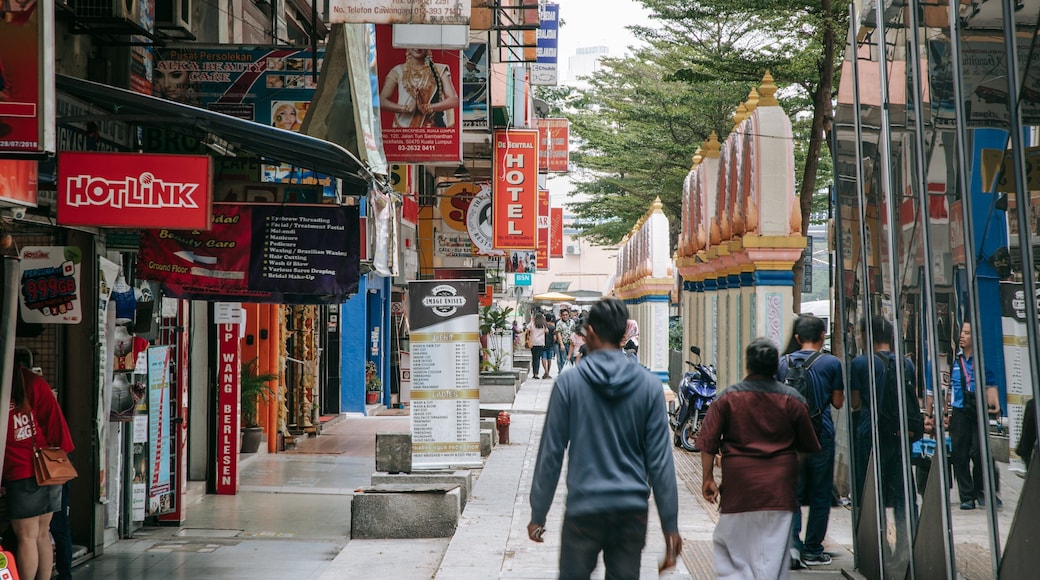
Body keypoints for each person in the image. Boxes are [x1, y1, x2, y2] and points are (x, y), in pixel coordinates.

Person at [528, 298, 682, 579]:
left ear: (592, 333)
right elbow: (660, 462)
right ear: (624, 335)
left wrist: (539, 512)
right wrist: (670, 525)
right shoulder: (648, 386)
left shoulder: (570, 383)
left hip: (583, 508)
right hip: (630, 512)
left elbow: (551, 453)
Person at [849, 315, 921, 564]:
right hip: (899, 435)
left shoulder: (859, 364)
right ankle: (906, 546)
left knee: (871, 492)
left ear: (868, 335)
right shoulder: (906, 364)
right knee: (902, 491)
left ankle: (879, 548)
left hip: (870, 434)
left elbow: (856, 404)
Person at [776, 314, 845, 568]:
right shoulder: (831, 363)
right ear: (822, 336)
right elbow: (838, 402)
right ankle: (814, 550)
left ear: (796, 338)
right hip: (821, 434)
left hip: (790, 438)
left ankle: (793, 545)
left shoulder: (782, 363)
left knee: (791, 492)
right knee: (819, 494)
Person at [3, 361, 75, 580]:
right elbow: (57, 428)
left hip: (19, 472)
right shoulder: (34, 383)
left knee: (26, 537)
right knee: (42, 534)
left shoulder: (5, 387)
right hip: (49, 469)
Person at [945, 321, 1001, 510]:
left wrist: (995, 404)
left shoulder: (982, 362)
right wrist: (944, 413)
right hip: (959, 411)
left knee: (979, 452)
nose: (962, 336)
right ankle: (966, 496)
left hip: (978, 411)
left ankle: (980, 489)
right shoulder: (953, 359)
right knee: (959, 455)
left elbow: (990, 384)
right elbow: (946, 388)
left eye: (967, 333)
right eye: (962, 332)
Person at [379, 48, 459, 128]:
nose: (417, 48)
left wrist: (428, 108)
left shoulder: (439, 69)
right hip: (402, 128)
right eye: (413, 45)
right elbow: (381, 101)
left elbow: (454, 100)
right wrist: (406, 109)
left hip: (431, 128)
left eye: (421, 45)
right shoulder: (398, 70)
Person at [526, 313, 548, 379]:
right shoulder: (543, 324)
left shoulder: (532, 323)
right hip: (541, 343)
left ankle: (534, 373)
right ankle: (536, 374)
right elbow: (547, 332)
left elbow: (527, 330)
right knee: (538, 358)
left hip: (533, 342)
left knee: (534, 358)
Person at [554, 308, 575, 373]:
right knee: (563, 359)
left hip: (571, 344)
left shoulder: (572, 322)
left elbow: (574, 331)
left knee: (571, 359)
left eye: (566, 315)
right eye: (563, 315)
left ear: (569, 315)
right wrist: (561, 344)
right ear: (561, 316)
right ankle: (563, 373)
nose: (565, 316)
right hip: (563, 343)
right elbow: (559, 334)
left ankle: (569, 373)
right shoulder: (559, 323)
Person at [541, 314, 557, 380]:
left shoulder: (543, 327)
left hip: (543, 343)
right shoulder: (553, 327)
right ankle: (548, 372)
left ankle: (545, 371)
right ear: (551, 319)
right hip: (550, 344)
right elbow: (555, 338)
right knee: (549, 358)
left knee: (543, 357)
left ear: (545, 319)